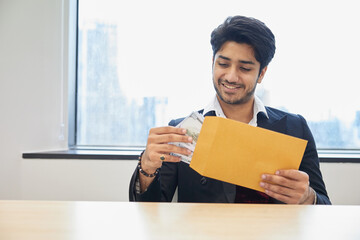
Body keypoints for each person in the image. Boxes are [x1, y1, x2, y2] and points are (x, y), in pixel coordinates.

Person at [129, 15, 331, 204]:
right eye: (223, 64)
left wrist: (307, 196)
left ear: (261, 74)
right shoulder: (182, 130)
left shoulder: (294, 128)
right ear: (212, 63)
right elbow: (150, 210)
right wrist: (146, 167)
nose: (231, 77)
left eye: (245, 68)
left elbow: (324, 206)